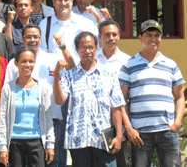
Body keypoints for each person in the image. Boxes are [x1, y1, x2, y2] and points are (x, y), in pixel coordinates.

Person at [4, 24, 75, 167]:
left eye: (36, 37)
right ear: (22, 39)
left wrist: (62, 46)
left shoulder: (52, 59)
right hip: (23, 123)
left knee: (53, 161)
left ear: (41, 39)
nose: (33, 40)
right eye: (29, 37)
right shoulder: (14, 63)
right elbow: (8, 91)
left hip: (52, 119)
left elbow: (72, 68)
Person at [53, 31, 125, 167]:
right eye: (83, 48)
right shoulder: (69, 76)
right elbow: (59, 100)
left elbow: (116, 107)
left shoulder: (109, 75)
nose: (88, 51)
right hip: (79, 142)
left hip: (104, 141)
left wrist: (119, 136)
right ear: (77, 50)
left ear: (96, 48)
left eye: (91, 47)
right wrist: (57, 75)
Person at [119, 20, 185, 167]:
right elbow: (121, 100)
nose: (154, 39)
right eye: (149, 35)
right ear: (140, 38)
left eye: (157, 35)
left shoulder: (171, 65)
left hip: (167, 131)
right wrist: (129, 129)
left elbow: (180, 96)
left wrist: (177, 123)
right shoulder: (128, 66)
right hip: (140, 134)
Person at [0, 47, 55, 167]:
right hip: (14, 142)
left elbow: (48, 117)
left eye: (31, 61)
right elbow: (3, 118)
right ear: (16, 63)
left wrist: (50, 144)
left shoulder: (42, 87)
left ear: (35, 63)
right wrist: (3, 147)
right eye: (23, 61)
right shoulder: (8, 88)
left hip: (37, 141)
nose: (27, 65)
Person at [96, 20, 130, 167]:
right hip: (95, 123)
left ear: (119, 36)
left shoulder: (127, 61)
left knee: (119, 161)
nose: (111, 38)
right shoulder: (92, 59)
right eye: (107, 34)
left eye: (114, 34)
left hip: (119, 121)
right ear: (100, 37)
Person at [39, 0, 98, 64]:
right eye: (59, 0)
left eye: (66, 0)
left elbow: (97, 51)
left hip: (80, 73)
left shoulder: (86, 24)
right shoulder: (44, 24)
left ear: (71, 1)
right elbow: (42, 53)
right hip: (54, 74)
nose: (63, 3)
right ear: (53, 2)